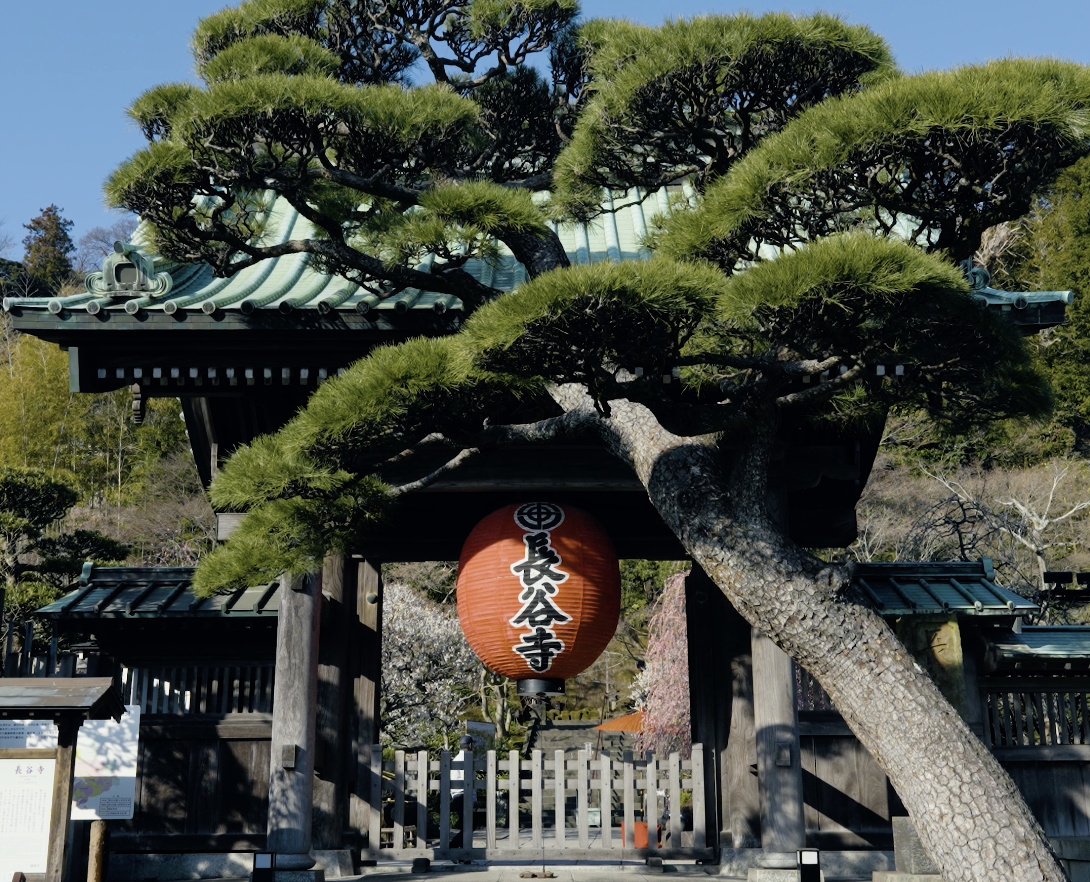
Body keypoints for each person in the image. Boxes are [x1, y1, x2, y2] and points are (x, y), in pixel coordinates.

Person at [450, 734, 474, 850]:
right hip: (464, 795)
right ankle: (453, 847)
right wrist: (473, 798)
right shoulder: (466, 760)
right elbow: (468, 782)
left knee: (467, 826)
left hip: (456, 796)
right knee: (469, 825)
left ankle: (463, 855)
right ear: (469, 745)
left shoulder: (455, 759)